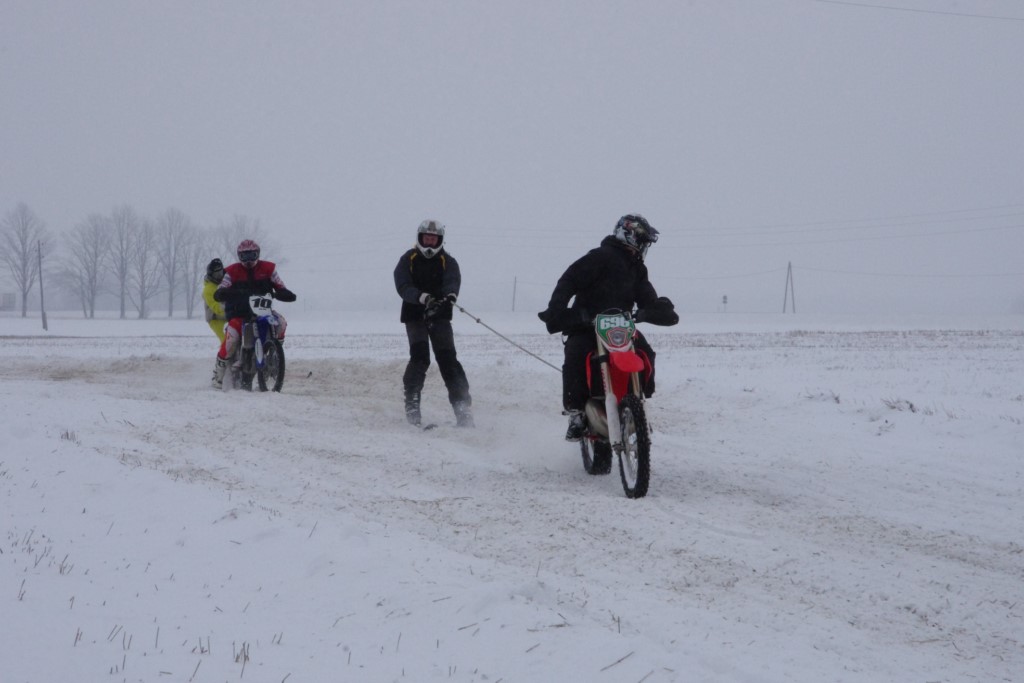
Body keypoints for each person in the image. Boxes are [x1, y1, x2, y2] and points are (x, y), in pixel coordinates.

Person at [538, 214, 678, 441]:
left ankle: (638, 401)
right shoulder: (599, 257)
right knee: (576, 354)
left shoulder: (637, 268)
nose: (644, 247)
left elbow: (646, 297)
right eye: (642, 241)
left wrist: (656, 309)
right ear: (629, 235)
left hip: (621, 327)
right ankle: (576, 413)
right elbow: (568, 280)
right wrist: (557, 309)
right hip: (587, 325)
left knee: (645, 351)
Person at [393, 219, 473, 427]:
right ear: (420, 238)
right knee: (420, 358)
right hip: (414, 315)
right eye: (427, 238)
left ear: (440, 240)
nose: (429, 242)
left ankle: (463, 408)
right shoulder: (407, 259)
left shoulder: (448, 261)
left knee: (448, 360)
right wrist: (421, 297)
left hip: (440, 315)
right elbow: (403, 285)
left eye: (433, 239)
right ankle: (412, 405)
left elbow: (452, 281)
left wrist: (450, 296)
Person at [211, 239, 296, 388]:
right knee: (232, 338)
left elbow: (280, 285)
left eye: (252, 255)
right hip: (239, 313)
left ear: (258, 254)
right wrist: (223, 293)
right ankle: (218, 376)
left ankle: (275, 353)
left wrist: (283, 293)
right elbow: (221, 288)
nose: (248, 260)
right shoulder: (232, 272)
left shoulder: (269, 269)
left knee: (281, 323)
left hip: (263, 311)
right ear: (239, 256)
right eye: (244, 256)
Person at [202, 258, 228, 387]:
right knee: (225, 342)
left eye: (221, 272)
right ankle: (218, 372)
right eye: (216, 274)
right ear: (211, 275)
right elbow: (216, 307)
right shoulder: (208, 289)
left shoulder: (226, 282)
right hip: (215, 319)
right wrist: (230, 309)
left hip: (228, 316)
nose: (219, 276)